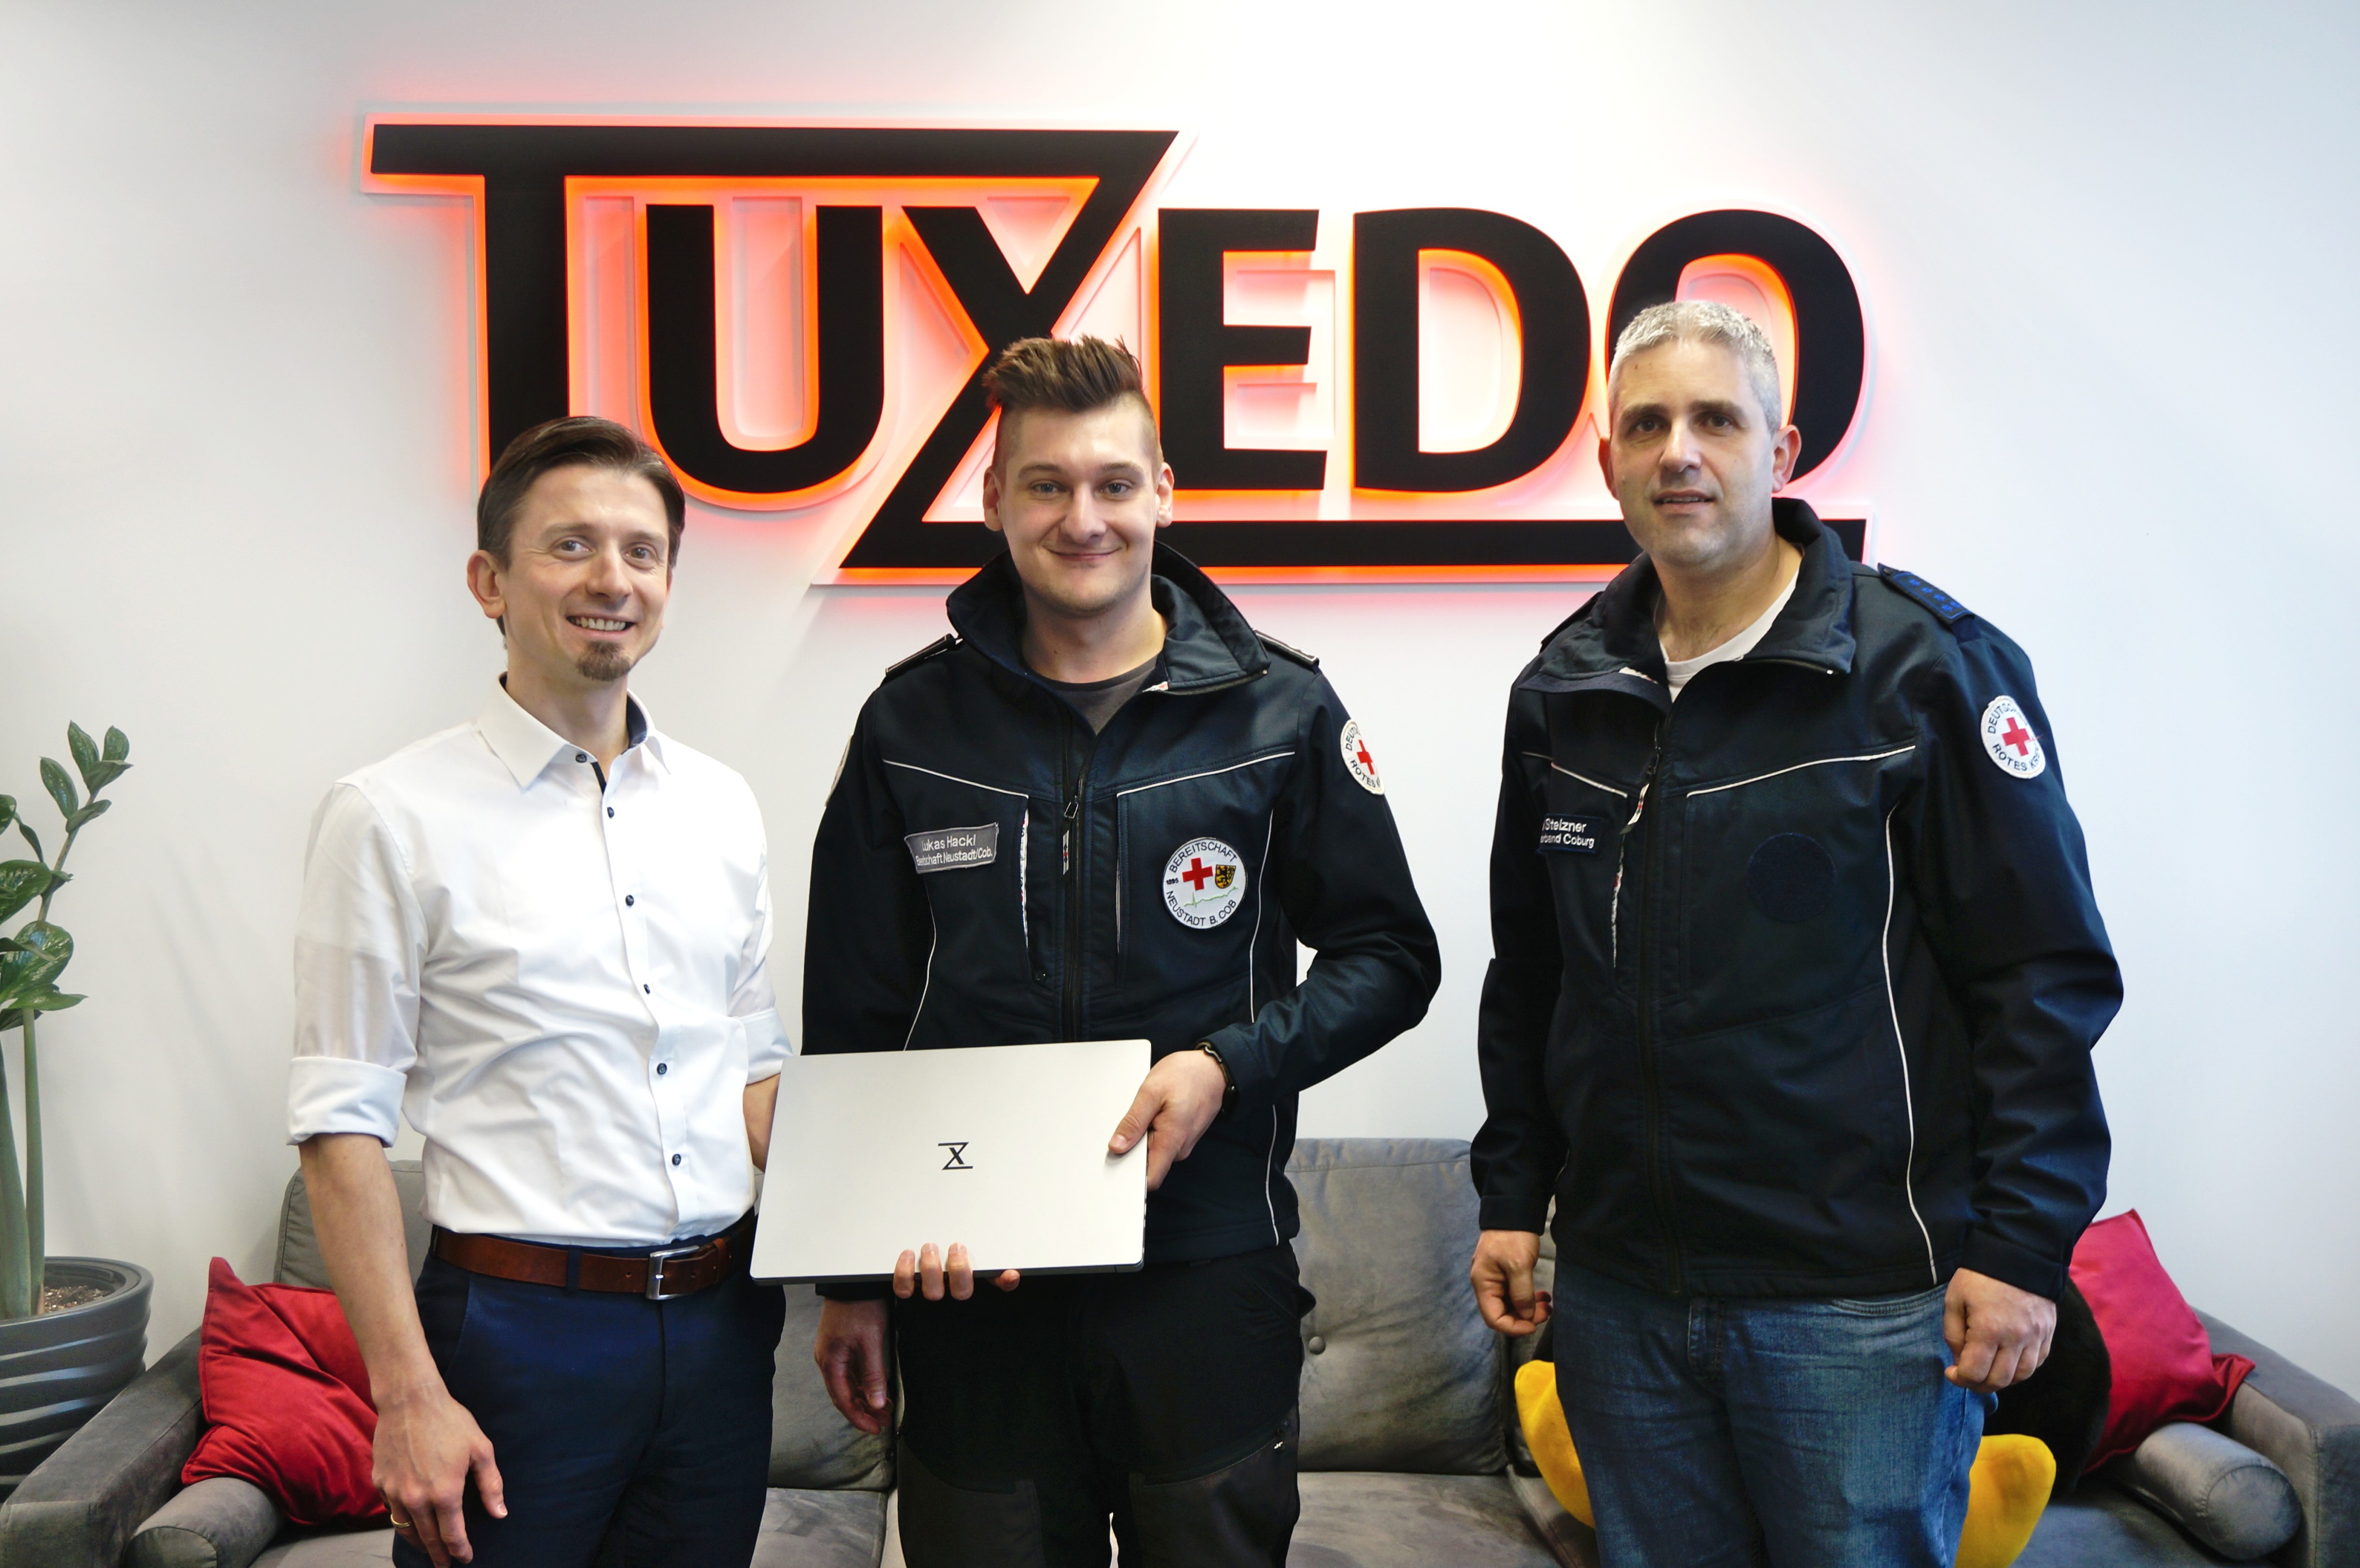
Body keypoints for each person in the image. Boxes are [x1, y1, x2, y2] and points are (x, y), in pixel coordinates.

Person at [1468, 301, 2120, 1566]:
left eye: (1715, 418)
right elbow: (1532, 975)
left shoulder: (1922, 670)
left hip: (1859, 1306)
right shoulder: (1560, 692)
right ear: (1606, 457)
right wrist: (1513, 1192)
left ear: (1784, 447)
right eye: (1645, 423)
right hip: (1619, 1294)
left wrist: (2023, 1240)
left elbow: (2038, 976)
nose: (1678, 452)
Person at [804, 336, 1440, 1566]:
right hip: (972, 1282)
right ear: (992, 501)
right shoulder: (908, 719)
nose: (1079, 515)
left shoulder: (1281, 710)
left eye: (1109, 482)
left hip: (1203, 1271)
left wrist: (1229, 1062)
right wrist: (849, 1273)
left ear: (1162, 487)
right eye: (1043, 484)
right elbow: (853, 1006)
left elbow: (1388, 955)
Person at [286, 417, 789, 1568]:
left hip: (721, 1327)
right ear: (489, 580)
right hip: (519, 1335)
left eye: (641, 550)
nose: (612, 578)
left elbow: (753, 1062)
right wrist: (406, 1394)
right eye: (570, 545)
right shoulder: (387, 814)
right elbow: (339, 1123)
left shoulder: (720, 804)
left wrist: (883, 1222)